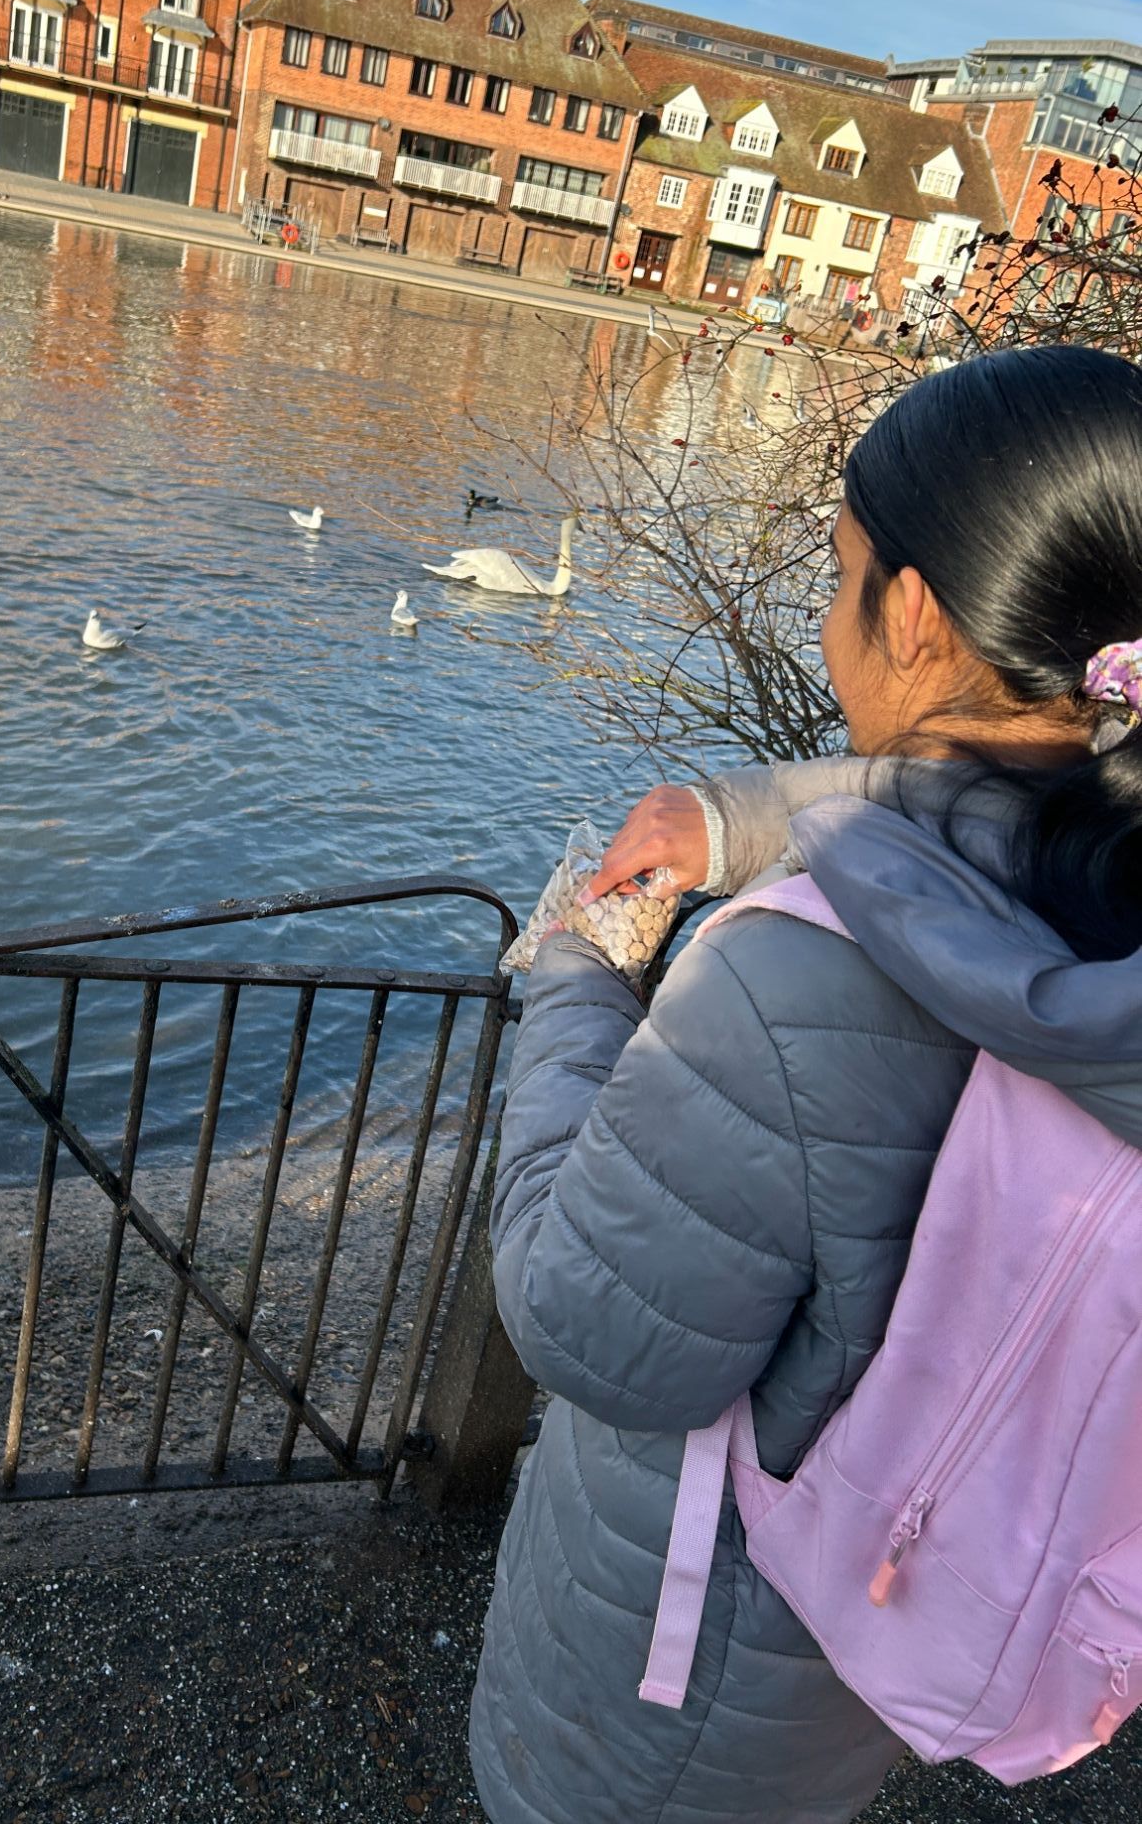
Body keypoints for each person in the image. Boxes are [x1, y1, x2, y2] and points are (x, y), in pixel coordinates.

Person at [469, 343, 1142, 1824]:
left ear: (910, 614)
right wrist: (742, 819)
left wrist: (579, 978)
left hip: (686, 1654)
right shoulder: (1108, 882)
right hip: (886, 1617)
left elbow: (594, 1328)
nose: (826, 613)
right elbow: (980, 805)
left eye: (840, 574)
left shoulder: (789, 983)